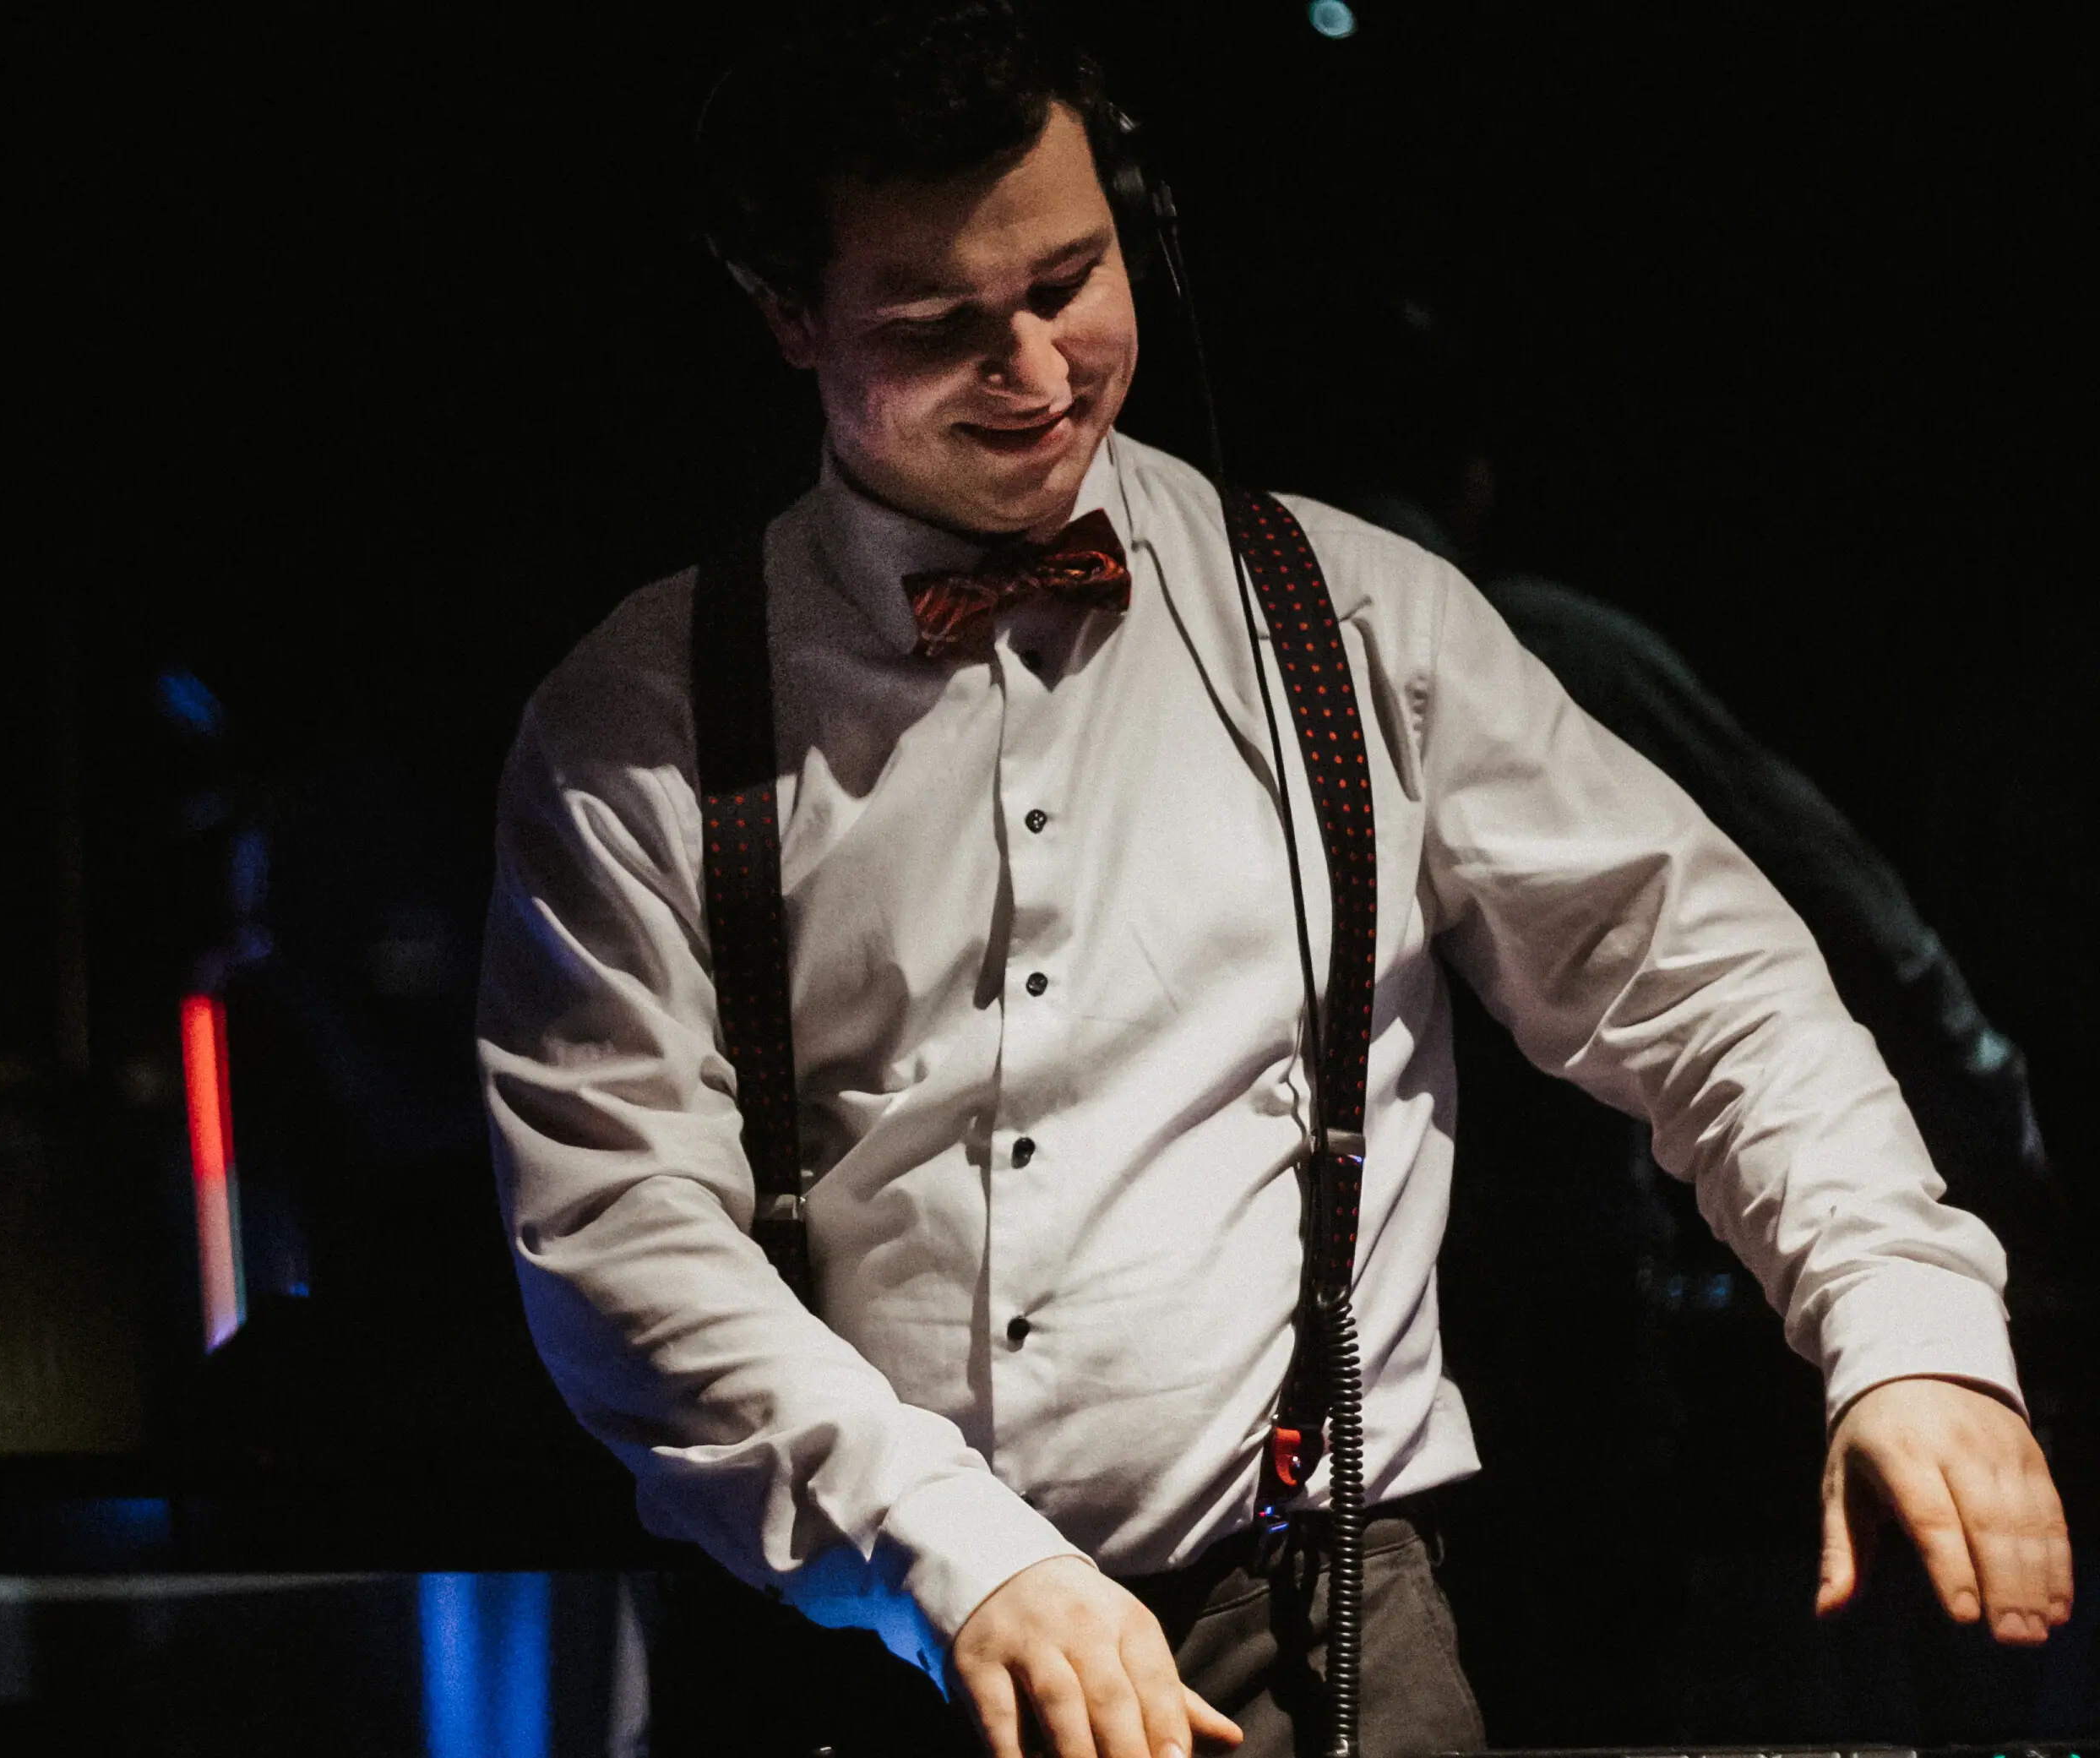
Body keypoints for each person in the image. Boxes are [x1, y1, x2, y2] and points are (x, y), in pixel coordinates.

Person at [473, 7, 2070, 1755]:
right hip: (850, 1630)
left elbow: (1704, 977)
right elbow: (619, 1225)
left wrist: (1906, 1324)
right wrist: (956, 1552)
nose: (1036, 367)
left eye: (1071, 279)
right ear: (788, 317)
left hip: (1312, 1615)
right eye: (939, 325)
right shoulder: (639, 714)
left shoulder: (1353, 617)